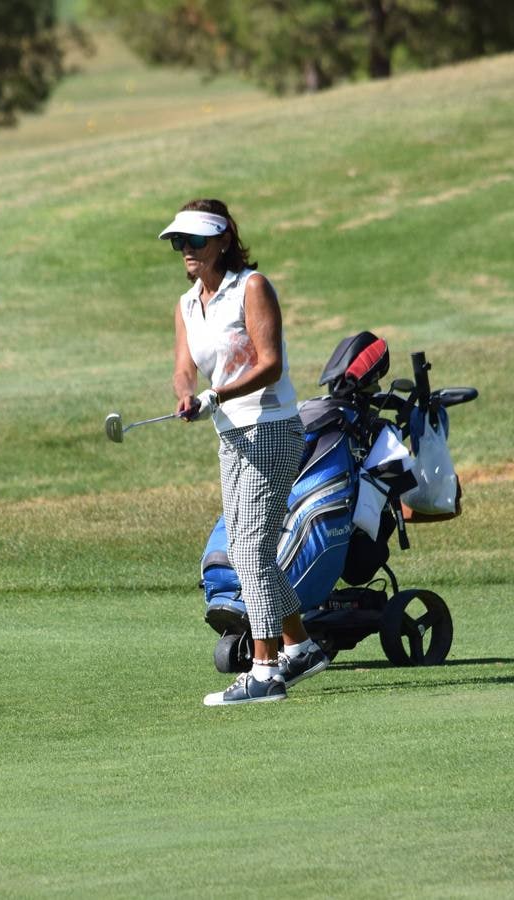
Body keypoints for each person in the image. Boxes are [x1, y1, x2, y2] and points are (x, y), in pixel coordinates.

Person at [161, 198, 330, 706]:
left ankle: (265, 671)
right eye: (178, 243)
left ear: (222, 241)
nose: (185, 251)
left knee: (253, 551)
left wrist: (218, 394)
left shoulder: (251, 288)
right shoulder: (188, 303)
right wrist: (188, 392)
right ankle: (300, 646)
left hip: (271, 428)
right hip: (230, 433)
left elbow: (270, 364)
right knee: (242, 550)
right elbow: (184, 365)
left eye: (194, 241)